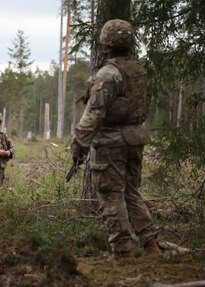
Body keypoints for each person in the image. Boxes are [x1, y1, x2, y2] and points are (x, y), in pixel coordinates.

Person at [70, 19, 161, 259]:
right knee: (131, 192)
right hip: (135, 137)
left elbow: (94, 113)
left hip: (111, 142)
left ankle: (121, 251)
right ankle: (150, 243)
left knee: (111, 194)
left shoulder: (108, 74)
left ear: (105, 43)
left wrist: (79, 144)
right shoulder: (138, 70)